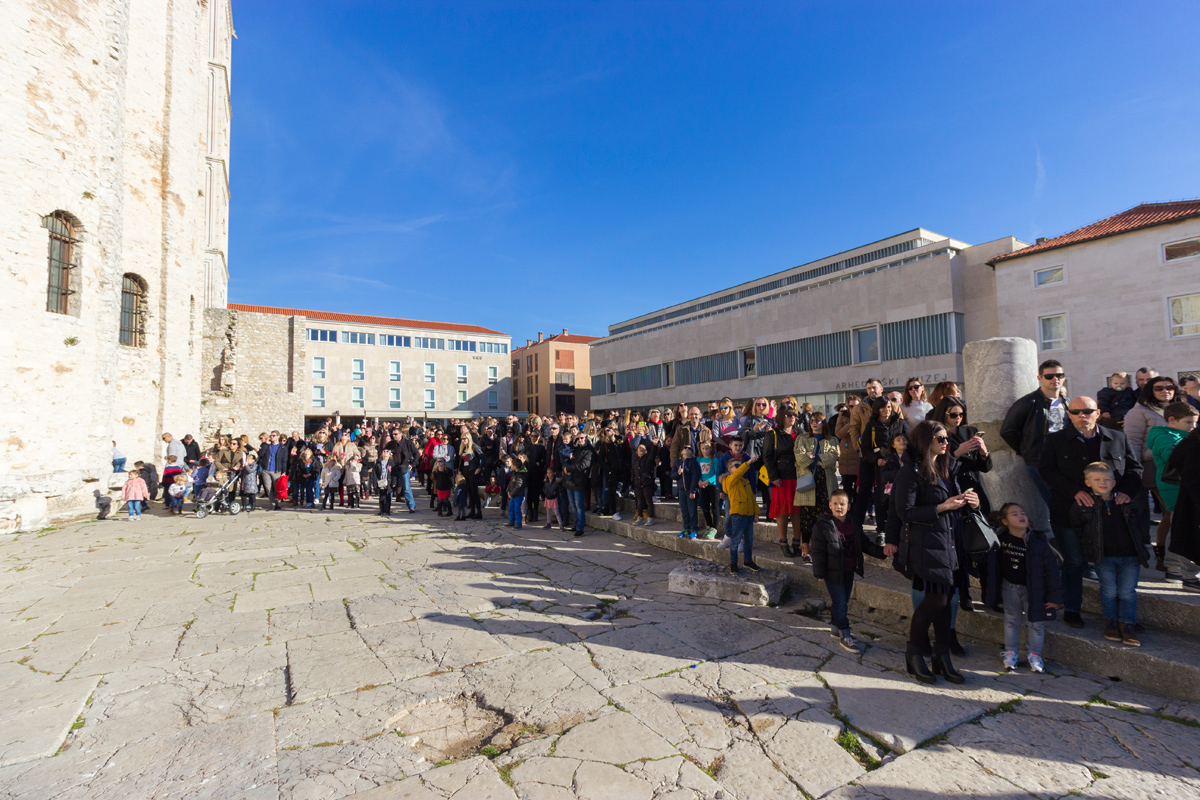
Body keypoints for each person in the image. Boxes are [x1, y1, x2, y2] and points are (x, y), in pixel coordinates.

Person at [1039, 396, 1141, 629]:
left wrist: (1126, 492)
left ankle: (1123, 616)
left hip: (1112, 514)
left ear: (1098, 412)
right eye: (1075, 412)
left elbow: (1134, 469)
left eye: (1087, 411)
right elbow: (1047, 471)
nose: (1081, 416)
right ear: (1069, 414)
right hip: (1069, 512)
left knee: (1113, 561)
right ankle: (1072, 609)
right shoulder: (1055, 440)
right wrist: (1074, 491)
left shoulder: (1118, 437)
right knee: (1074, 561)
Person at [890, 420, 978, 685]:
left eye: (946, 438)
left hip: (950, 541)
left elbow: (952, 502)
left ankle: (941, 656)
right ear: (925, 440)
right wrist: (943, 507)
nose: (946, 443)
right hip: (926, 545)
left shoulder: (946, 467)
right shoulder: (910, 472)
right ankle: (914, 652)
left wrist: (970, 502)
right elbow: (905, 512)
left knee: (946, 601)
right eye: (940, 438)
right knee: (936, 600)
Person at [1069, 462, 1148, 646]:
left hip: (1130, 556)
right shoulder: (1083, 505)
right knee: (1109, 591)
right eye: (1097, 479)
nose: (1102, 483)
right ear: (1088, 482)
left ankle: (1127, 624)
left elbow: (1138, 526)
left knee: (1127, 592)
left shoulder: (1126, 502)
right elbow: (1078, 528)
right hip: (1103, 557)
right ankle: (1111, 621)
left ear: (1114, 482)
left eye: (1107, 479)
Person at [986, 503, 1062, 672]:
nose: (1021, 516)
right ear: (1005, 521)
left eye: (1023, 513)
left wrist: (1054, 594)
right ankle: (1011, 652)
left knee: (1035, 623)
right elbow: (992, 567)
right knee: (1011, 620)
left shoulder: (1038, 542)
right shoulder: (999, 540)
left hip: (1034, 590)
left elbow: (1051, 570)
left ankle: (1035, 655)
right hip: (1009, 588)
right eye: (1014, 514)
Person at [811, 490, 883, 653]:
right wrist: (819, 571)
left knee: (842, 602)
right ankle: (846, 635)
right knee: (841, 603)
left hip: (849, 569)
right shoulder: (823, 525)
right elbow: (818, 550)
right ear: (830, 505)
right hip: (832, 572)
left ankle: (835, 629)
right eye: (835, 504)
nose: (839, 507)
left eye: (842, 504)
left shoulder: (853, 522)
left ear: (848, 506)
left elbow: (863, 543)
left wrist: (881, 552)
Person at [1001, 359, 1069, 507]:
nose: (1055, 379)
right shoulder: (1027, 402)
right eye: (1049, 376)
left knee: (1069, 502)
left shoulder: (1067, 402)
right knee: (1056, 504)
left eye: (1059, 375)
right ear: (1040, 378)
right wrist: (1027, 451)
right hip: (1040, 462)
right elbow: (1007, 431)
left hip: (1065, 460)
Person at [1124, 375, 1179, 543]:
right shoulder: (1139, 411)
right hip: (1152, 465)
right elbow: (1132, 441)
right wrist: (1134, 469)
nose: (1165, 391)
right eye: (1159, 388)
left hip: (1179, 464)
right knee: (1172, 509)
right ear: (1150, 391)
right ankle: (1162, 548)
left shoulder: (1181, 408)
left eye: (1169, 387)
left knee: (1177, 510)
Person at [1148, 402, 1200, 579]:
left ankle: (1173, 565)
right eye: (1188, 422)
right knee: (1181, 525)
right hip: (1174, 487)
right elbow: (1178, 461)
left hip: (1179, 486)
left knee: (1179, 523)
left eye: (1195, 422)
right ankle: (1174, 566)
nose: (1193, 426)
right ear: (1172, 420)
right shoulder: (1166, 438)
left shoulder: (1181, 436)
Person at [794, 412, 840, 563]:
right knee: (807, 515)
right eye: (812, 420)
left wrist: (812, 456)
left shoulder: (832, 440)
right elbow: (800, 458)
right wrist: (817, 458)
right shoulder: (802, 438)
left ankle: (822, 548)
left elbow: (833, 458)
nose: (814, 423)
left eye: (818, 420)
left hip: (826, 481)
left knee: (825, 515)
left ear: (823, 422)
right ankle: (805, 549)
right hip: (808, 479)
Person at [1167, 426, 1200, 593]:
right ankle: (1190, 578)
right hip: (1192, 503)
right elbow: (1193, 480)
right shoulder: (1192, 447)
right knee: (1190, 538)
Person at [764, 409, 802, 556]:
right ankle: (783, 542)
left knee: (797, 510)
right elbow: (767, 457)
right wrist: (774, 476)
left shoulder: (799, 433)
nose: (792, 417)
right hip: (781, 478)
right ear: (781, 417)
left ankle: (797, 542)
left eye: (794, 415)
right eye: (789, 415)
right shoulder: (773, 434)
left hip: (799, 476)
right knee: (783, 511)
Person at [721, 445, 761, 575]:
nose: (740, 467)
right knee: (735, 540)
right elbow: (737, 474)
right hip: (738, 514)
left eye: (740, 465)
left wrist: (756, 513)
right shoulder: (729, 480)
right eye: (737, 466)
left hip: (748, 514)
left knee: (749, 540)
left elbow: (752, 498)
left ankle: (748, 560)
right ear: (729, 469)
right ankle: (733, 563)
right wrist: (748, 463)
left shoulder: (745, 482)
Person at [834, 397, 861, 505]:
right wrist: (850, 424)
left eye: (856, 406)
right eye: (851, 406)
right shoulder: (842, 418)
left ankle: (858, 511)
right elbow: (839, 434)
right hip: (847, 456)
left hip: (859, 455)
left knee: (860, 489)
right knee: (847, 489)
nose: (854, 408)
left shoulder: (864, 417)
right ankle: (847, 510)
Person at [567, 432, 594, 536]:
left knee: (579, 505)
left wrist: (568, 468)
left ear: (586, 438)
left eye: (582, 438)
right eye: (578, 439)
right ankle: (576, 523)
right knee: (573, 505)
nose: (580, 440)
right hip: (571, 479)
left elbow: (584, 465)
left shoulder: (589, 450)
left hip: (581, 480)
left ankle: (580, 527)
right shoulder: (576, 449)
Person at [674, 446, 701, 539]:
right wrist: (678, 473)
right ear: (681, 452)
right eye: (685, 448)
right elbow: (672, 475)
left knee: (692, 511)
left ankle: (694, 529)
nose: (687, 449)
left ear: (692, 453)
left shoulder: (693, 462)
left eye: (690, 449)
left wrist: (693, 491)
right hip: (681, 490)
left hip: (690, 490)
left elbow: (695, 477)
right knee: (684, 510)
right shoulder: (677, 462)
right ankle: (686, 528)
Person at [258, 431, 289, 511]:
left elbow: (284, 460)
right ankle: (272, 504)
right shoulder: (267, 446)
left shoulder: (283, 448)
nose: (272, 437)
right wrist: (265, 445)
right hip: (266, 470)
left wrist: (283, 471)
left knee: (277, 488)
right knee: (268, 488)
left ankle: (278, 503)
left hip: (276, 470)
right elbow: (260, 454)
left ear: (278, 436)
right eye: (271, 435)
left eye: (273, 435)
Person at [696, 440, 720, 538]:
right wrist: (699, 481)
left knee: (715, 507)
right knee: (705, 507)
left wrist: (708, 481)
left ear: (710, 448)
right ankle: (709, 526)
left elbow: (717, 474)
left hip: (713, 486)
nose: (705, 451)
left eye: (707, 448)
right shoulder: (698, 459)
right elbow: (697, 472)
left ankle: (715, 528)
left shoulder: (714, 460)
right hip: (703, 486)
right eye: (703, 449)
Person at [631, 441, 658, 526]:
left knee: (648, 501)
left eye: (644, 448)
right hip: (638, 484)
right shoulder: (635, 461)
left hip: (646, 483)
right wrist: (633, 481)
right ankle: (640, 517)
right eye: (640, 448)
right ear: (636, 451)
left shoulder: (648, 459)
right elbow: (633, 472)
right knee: (639, 502)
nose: (642, 449)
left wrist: (655, 445)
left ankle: (651, 518)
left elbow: (652, 454)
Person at [505, 455, 526, 529]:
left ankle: (519, 523)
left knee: (517, 510)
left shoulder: (521, 475)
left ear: (515, 466)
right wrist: (508, 490)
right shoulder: (514, 473)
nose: (511, 466)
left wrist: (512, 494)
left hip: (518, 495)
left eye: (512, 465)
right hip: (512, 495)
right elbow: (511, 483)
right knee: (511, 509)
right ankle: (511, 522)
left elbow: (518, 486)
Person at [542, 465, 565, 530]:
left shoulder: (556, 481)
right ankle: (548, 523)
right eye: (547, 473)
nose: (548, 474)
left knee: (556, 512)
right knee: (548, 512)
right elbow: (544, 488)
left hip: (554, 498)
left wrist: (555, 492)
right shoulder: (546, 481)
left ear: (554, 473)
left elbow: (560, 489)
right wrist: (545, 493)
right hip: (547, 498)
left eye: (550, 473)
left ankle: (561, 525)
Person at [375, 450, 394, 516]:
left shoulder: (391, 463)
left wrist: (394, 482)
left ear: (389, 455)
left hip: (388, 482)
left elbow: (394, 474)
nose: (385, 452)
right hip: (381, 482)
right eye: (384, 451)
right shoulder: (378, 462)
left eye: (387, 451)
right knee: (381, 497)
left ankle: (387, 510)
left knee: (388, 497)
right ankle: (382, 510)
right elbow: (375, 473)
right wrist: (375, 482)